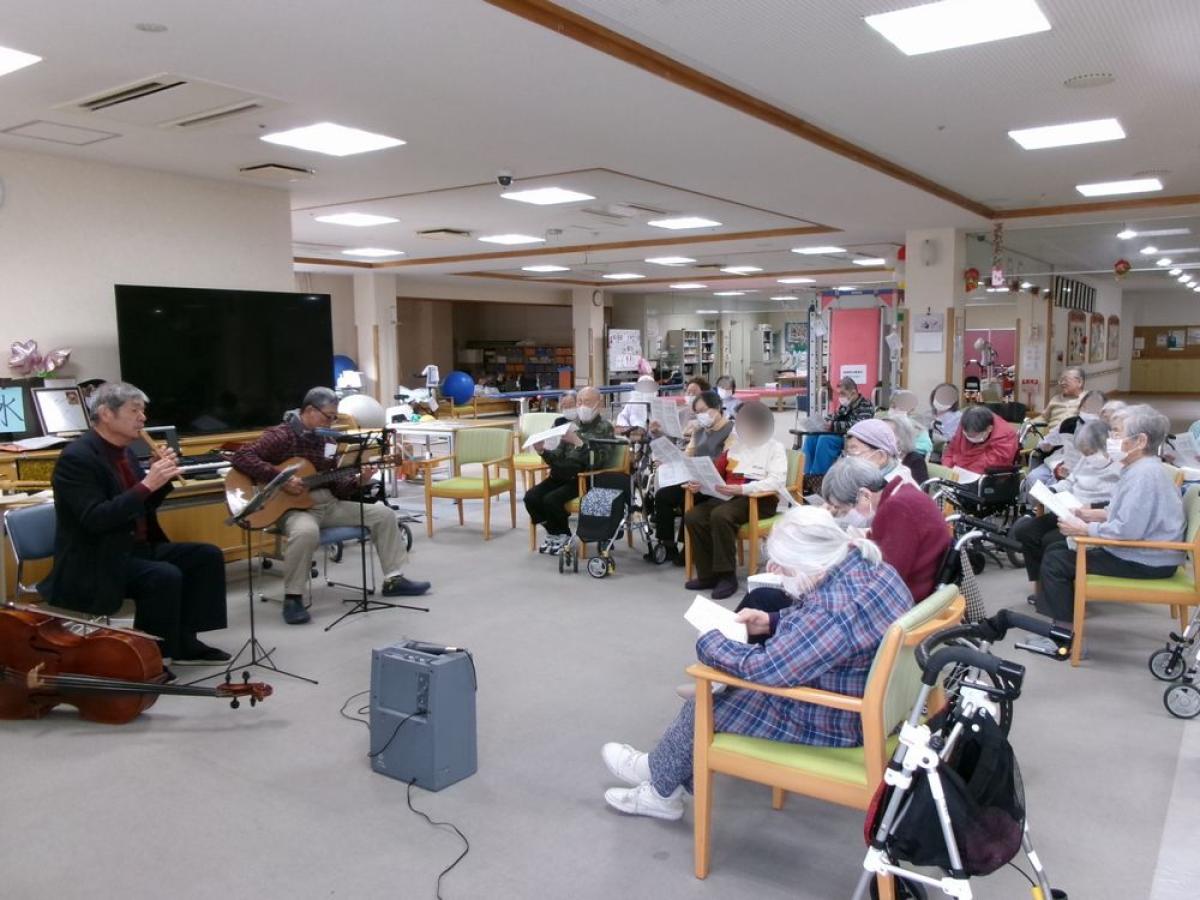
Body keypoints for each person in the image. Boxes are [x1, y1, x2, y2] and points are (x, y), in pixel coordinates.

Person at [600, 506, 911, 821]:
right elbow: (822, 628)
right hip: (875, 701)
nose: (779, 574)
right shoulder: (871, 567)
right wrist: (772, 621)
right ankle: (659, 773)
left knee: (708, 703)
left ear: (812, 565)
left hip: (842, 717)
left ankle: (659, 791)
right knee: (718, 694)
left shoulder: (832, 610)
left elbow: (766, 669)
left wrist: (710, 640)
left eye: (785, 569)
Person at [41, 382, 229, 666]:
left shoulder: (126, 452)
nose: (143, 418)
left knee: (206, 556)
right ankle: (148, 657)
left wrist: (161, 481)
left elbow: (143, 505)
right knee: (163, 575)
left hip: (133, 547)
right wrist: (147, 483)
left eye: (143, 411)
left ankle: (184, 641)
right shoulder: (77, 458)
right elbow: (96, 518)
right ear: (107, 414)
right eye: (135, 410)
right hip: (96, 558)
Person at [230, 387, 429, 625]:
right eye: (329, 416)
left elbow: (336, 486)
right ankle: (293, 597)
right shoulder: (281, 435)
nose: (332, 422)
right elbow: (241, 457)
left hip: (328, 503)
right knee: (306, 532)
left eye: (334, 417)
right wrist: (280, 478)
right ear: (310, 410)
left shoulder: (327, 439)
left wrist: (359, 480)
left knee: (383, 514)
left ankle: (393, 580)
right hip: (293, 509)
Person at [1031, 406, 1186, 652]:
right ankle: (1063, 626)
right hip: (1147, 551)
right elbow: (1124, 512)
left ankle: (1063, 639)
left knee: (1056, 561)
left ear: (1140, 441)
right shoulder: (1141, 468)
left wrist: (1085, 529)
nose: (1110, 439)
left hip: (1146, 558)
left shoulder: (1143, 475)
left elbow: (1127, 531)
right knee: (1058, 548)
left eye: (1116, 433)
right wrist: (1088, 514)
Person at [684, 400, 787, 600]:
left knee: (720, 515)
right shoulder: (736, 447)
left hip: (759, 498)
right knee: (694, 516)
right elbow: (716, 473)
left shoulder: (775, 447)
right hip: (730, 495)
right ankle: (708, 575)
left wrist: (742, 489)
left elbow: (776, 481)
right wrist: (701, 484)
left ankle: (727, 576)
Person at [1015, 420, 1121, 606]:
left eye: (1090, 452)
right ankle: (1042, 585)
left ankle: (1061, 591)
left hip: (1094, 516)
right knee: (1026, 532)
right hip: (1069, 508)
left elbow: (1117, 504)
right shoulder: (1086, 460)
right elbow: (1070, 482)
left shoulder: (1121, 466)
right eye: (1085, 453)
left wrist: (1089, 508)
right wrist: (1052, 491)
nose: (1087, 457)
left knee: (1050, 541)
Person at [647, 390, 734, 567]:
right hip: (695, 478)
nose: (700, 416)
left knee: (690, 499)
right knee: (663, 496)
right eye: (697, 413)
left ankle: (690, 547)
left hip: (717, 482)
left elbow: (728, 460)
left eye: (703, 411)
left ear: (717, 407)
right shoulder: (699, 430)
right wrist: (672, 459)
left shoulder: (731, 430)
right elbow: (688, 454)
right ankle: (668, 546)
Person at [524, 386, 614, 555]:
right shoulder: (571, 426)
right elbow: (557, 456)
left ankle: (563, 535)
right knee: (531, 497)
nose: (582, 406)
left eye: (587, 402)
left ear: (599, 404)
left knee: (551, 500)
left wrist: (579, 444)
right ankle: (554, 532)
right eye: (579, 402)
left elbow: (599, 461)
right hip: (560, 474)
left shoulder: (605, 427)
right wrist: (542, 451)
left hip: (583, 477)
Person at [802, 376, 875, 491]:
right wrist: (825, 421)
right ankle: (804, 474)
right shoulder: (845, 406)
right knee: (811, 437)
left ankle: (818, 478)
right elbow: (835, 416)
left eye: (843, 393)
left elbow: (857, 425)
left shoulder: (865, 406)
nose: (840, 396)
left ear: (853, 392)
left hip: (850, 438)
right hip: (838, 434)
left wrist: (833, 425)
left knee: (825, 439)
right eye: (839, 393)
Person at [941, 405, 1018, 474]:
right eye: (967, 435)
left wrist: (960, 470)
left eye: (974, 435)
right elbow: (951, 450)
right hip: (958, 472)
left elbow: (990, 464)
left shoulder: (1006, 436)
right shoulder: (965, 424)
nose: (970, 438)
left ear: (989, 429)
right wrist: (947, 468)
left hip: (983, 476)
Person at [844, 418, 917, 486]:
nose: (848, 458)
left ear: (880, 456)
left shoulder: (898, 489)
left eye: (854, 453)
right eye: (848, 452)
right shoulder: (868, 477)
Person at [882, 411, 930, 485]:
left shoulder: (915, 460)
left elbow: (919, 489)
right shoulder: (876, 454)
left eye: (888, 433)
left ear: (903, 437)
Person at [887, 389, 933, 457]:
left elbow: (927, 446)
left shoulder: (917, 428)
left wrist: (903, 447)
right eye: (893, 406)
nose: (896, 408)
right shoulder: (883, 423)